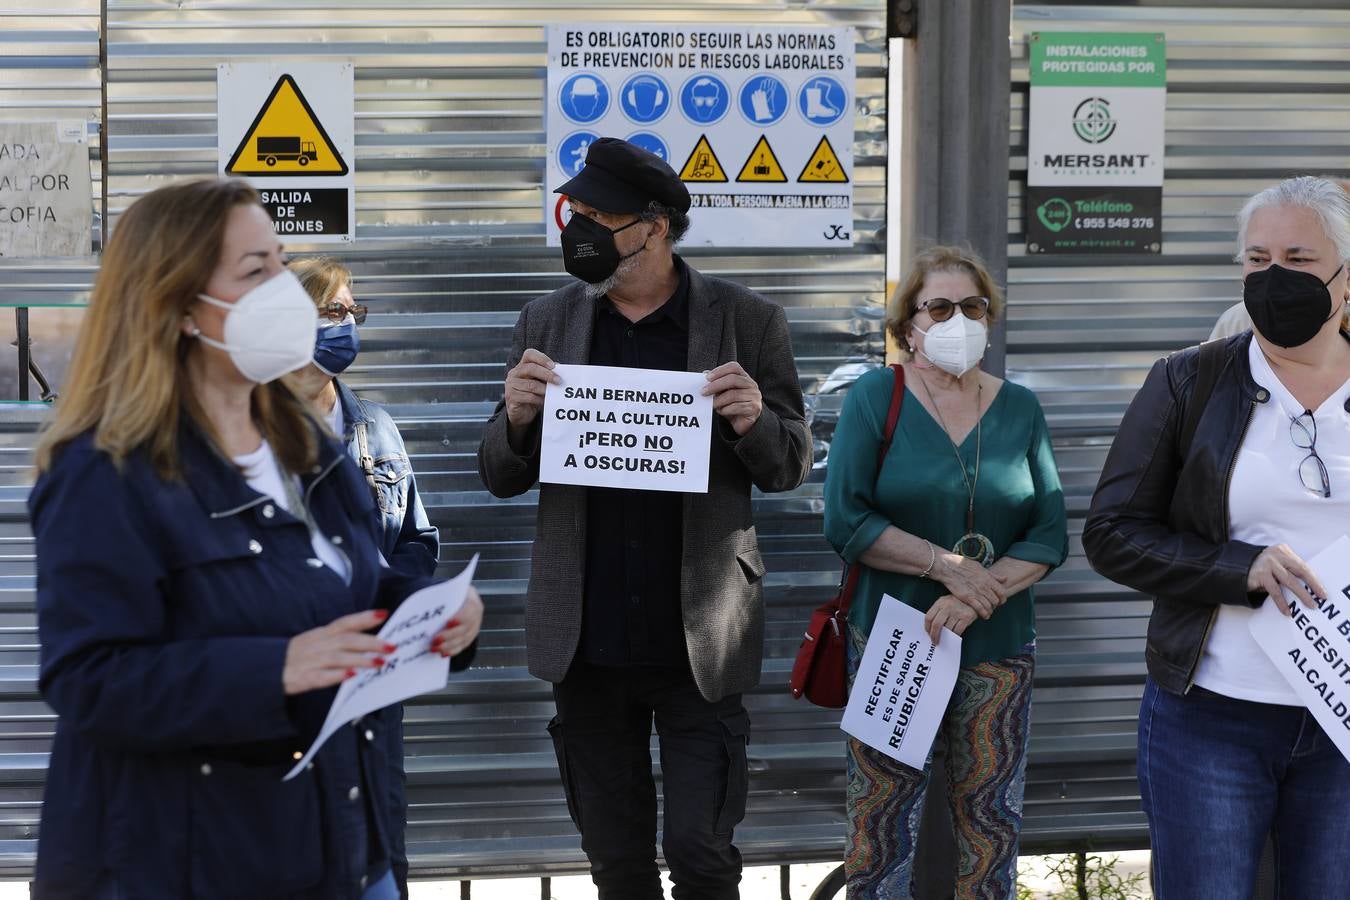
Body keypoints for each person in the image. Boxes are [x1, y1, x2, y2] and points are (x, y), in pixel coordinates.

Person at [28, 177, 482, 899]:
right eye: (256, 271)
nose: (284, 290)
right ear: (178, 307)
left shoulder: (304, 441)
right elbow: (90, 680)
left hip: (349, 846)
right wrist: (274, 669)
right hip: (194, 864)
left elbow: (352, 579)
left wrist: (430, 608)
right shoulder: (104, 471)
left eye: (279, 261)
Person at [477, 137, 812, 900]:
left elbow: (790, 464)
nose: (578, 228)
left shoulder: (749, 321)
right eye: (575, 212)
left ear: (656, 226)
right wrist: (519, 420)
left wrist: (754, 419)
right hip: (586, 640)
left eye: (599, 215)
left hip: (698, 637)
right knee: (617, 862)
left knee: (700, 850)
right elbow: (496, 473)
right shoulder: (545, 320)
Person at [1083, 175, 1350, 899]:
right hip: (1212, 717)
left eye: (1298, 257)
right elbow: (1111, 532)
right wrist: (1241, 567)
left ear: (1345, 277)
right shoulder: (1186, 382)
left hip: (1342, 726)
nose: (1273, 278)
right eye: (1256, 259)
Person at [823, 245, 1068, 898]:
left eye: (972, 306)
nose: (958, 318)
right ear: (909, 326)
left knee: (990, 821)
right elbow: (845, 520)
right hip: (895, 642)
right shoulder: (878, 396)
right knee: (879, 821)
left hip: (998, 648)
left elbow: (1049, 534)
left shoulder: (1020, 408)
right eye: (939, 306)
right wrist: (948, 566)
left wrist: (975, 598)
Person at [286, 256, 462, 900]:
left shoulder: (373, 429)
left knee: (377, 852)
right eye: (333, 313)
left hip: (371, 682)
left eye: (353, 313)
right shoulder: (243, 433)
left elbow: (417, 537)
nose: (348, 327)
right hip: (289, 680)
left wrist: (402, 594)